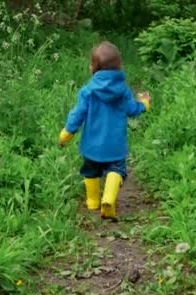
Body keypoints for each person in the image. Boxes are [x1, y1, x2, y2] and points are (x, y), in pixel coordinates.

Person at [58, 41, 151, 219]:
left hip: (91, 146)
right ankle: (108, 199)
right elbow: (132, 110)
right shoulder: (122, 90)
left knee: (90, 171)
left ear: (93, 68)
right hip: (115, 147)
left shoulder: (88, 91)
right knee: (117, 170)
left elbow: (77, 114)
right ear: (119, 67)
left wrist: (66, 134)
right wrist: (144, 104)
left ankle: (92, 201)